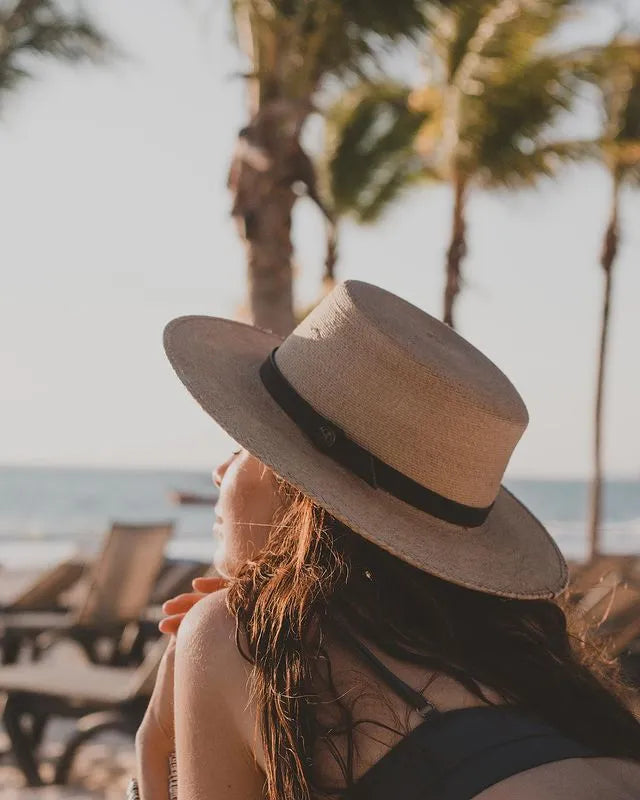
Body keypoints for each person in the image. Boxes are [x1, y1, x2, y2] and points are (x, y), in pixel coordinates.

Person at [133, 280, 640, 800]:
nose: (220, 472)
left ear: (302, 490)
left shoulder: (239, 635)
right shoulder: (550, 688)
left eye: (242, 445)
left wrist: (154, 747)